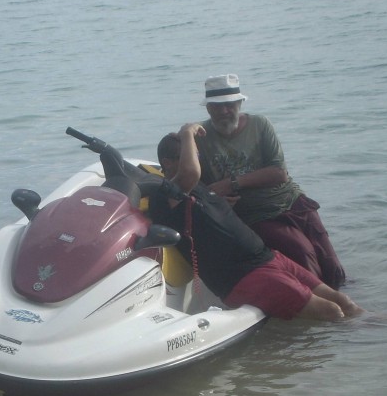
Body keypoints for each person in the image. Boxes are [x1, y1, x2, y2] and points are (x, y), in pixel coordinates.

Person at [149, 125, 362, 322]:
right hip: (242, 276)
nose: (195, 161)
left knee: (343, 301)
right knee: (330, 312)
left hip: (267, 257)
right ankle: (359, 341)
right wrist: (187, 132)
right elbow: (190, 173)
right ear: (167, 163)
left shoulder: (197, 188)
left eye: (196, 156)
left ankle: (379, 330)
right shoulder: (163, 196)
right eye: (188, 156)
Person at [186, 73, 347, 289]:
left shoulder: (260, 125)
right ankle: (318, 302)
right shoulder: (200, 137)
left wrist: (232, 183)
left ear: (240, 104)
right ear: (208, 108)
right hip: (255, 214)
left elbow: (279, 172)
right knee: (303, 252)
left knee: (330, 262)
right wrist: (217, 200)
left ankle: (348, 302)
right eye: (217, 106)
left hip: (291, 201)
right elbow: (191, 181)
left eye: (229, 105)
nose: (224, 111)